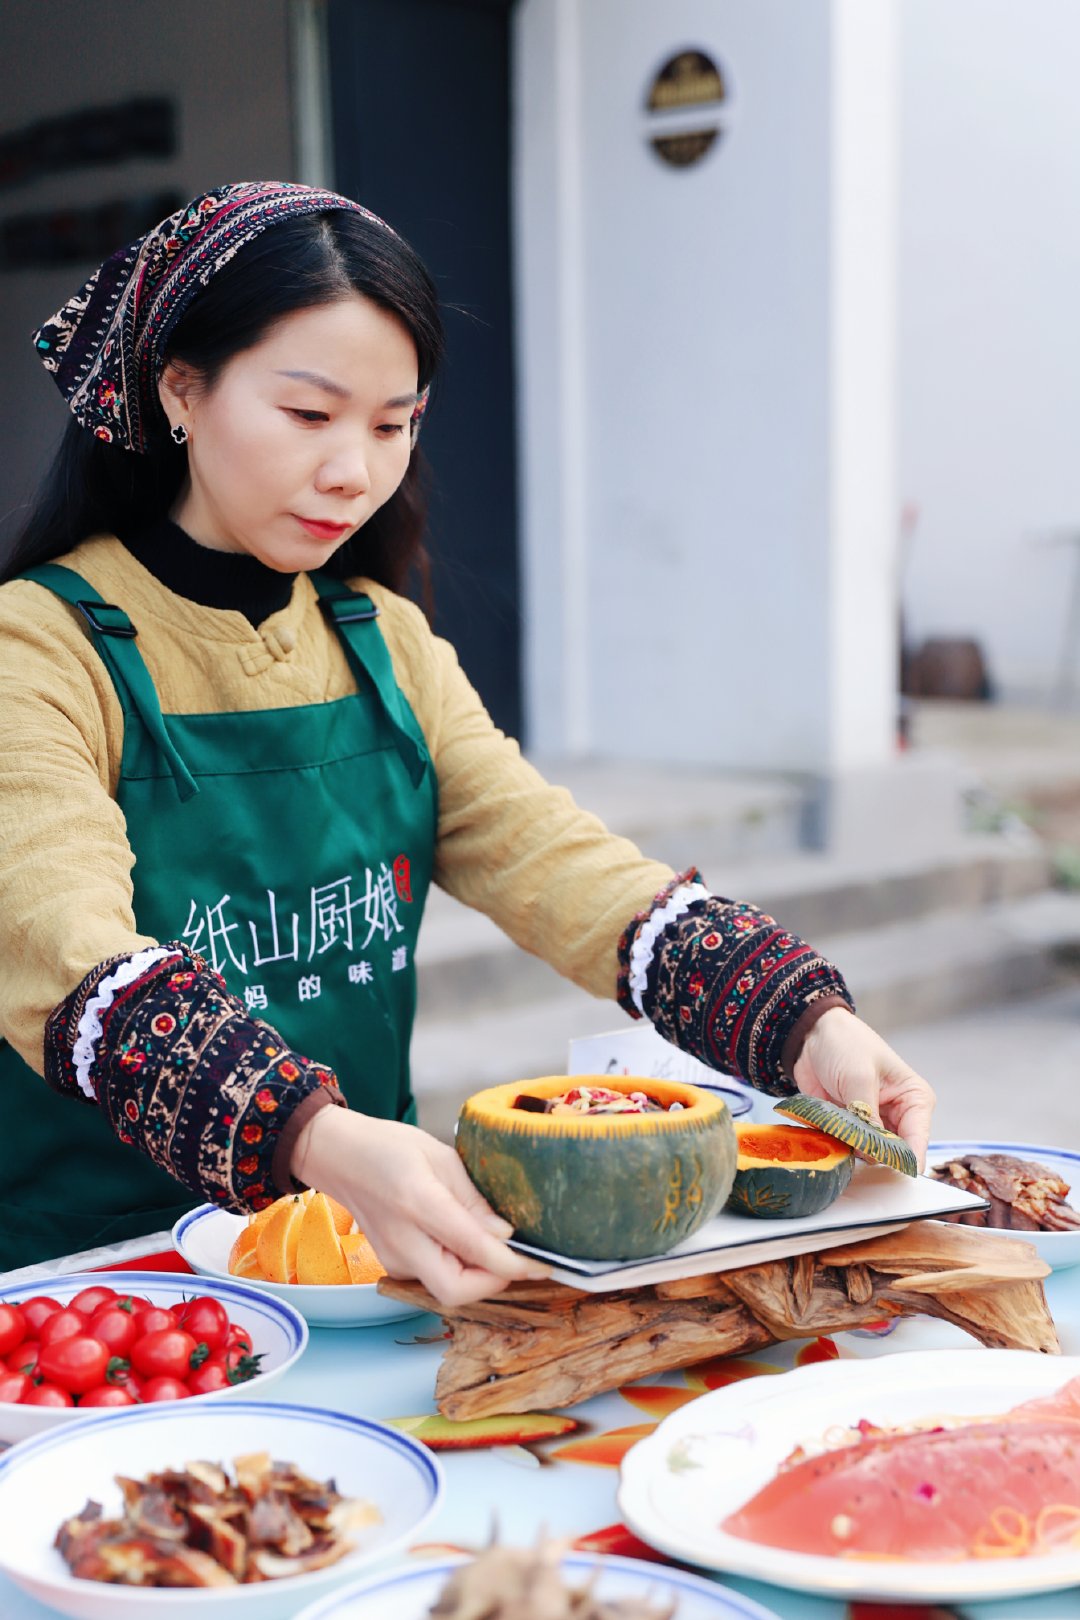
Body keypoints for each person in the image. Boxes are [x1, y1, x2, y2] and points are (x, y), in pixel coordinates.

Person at [0, 181, 934, 1297]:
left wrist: (800, 1020)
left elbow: (565, 869)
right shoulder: (40, 647)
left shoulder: (383, 640)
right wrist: (316, 1137)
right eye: (310, 415)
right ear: (182, 390)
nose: (355, 469)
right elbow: (72, 963)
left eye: (394, 425)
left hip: (359, 1254)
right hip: (103, 1281)